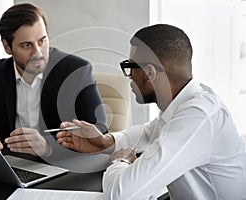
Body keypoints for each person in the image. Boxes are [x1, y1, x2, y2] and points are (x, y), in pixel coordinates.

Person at [56, 24, 246, 199]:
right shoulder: (186, 103)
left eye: (130, 68)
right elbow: (148, 132)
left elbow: (120, 194)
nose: (129, 78)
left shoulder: (198, 117)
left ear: (150, 74)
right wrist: (104, 142)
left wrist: (120, 161)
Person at [0, 3, 107, 158]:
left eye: (42, 41)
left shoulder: (76, 71)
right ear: (7, 47)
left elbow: (100, 131)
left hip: (63, 167)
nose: (37, 52)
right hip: (12, 166)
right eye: (26, 45)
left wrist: (48, 147)